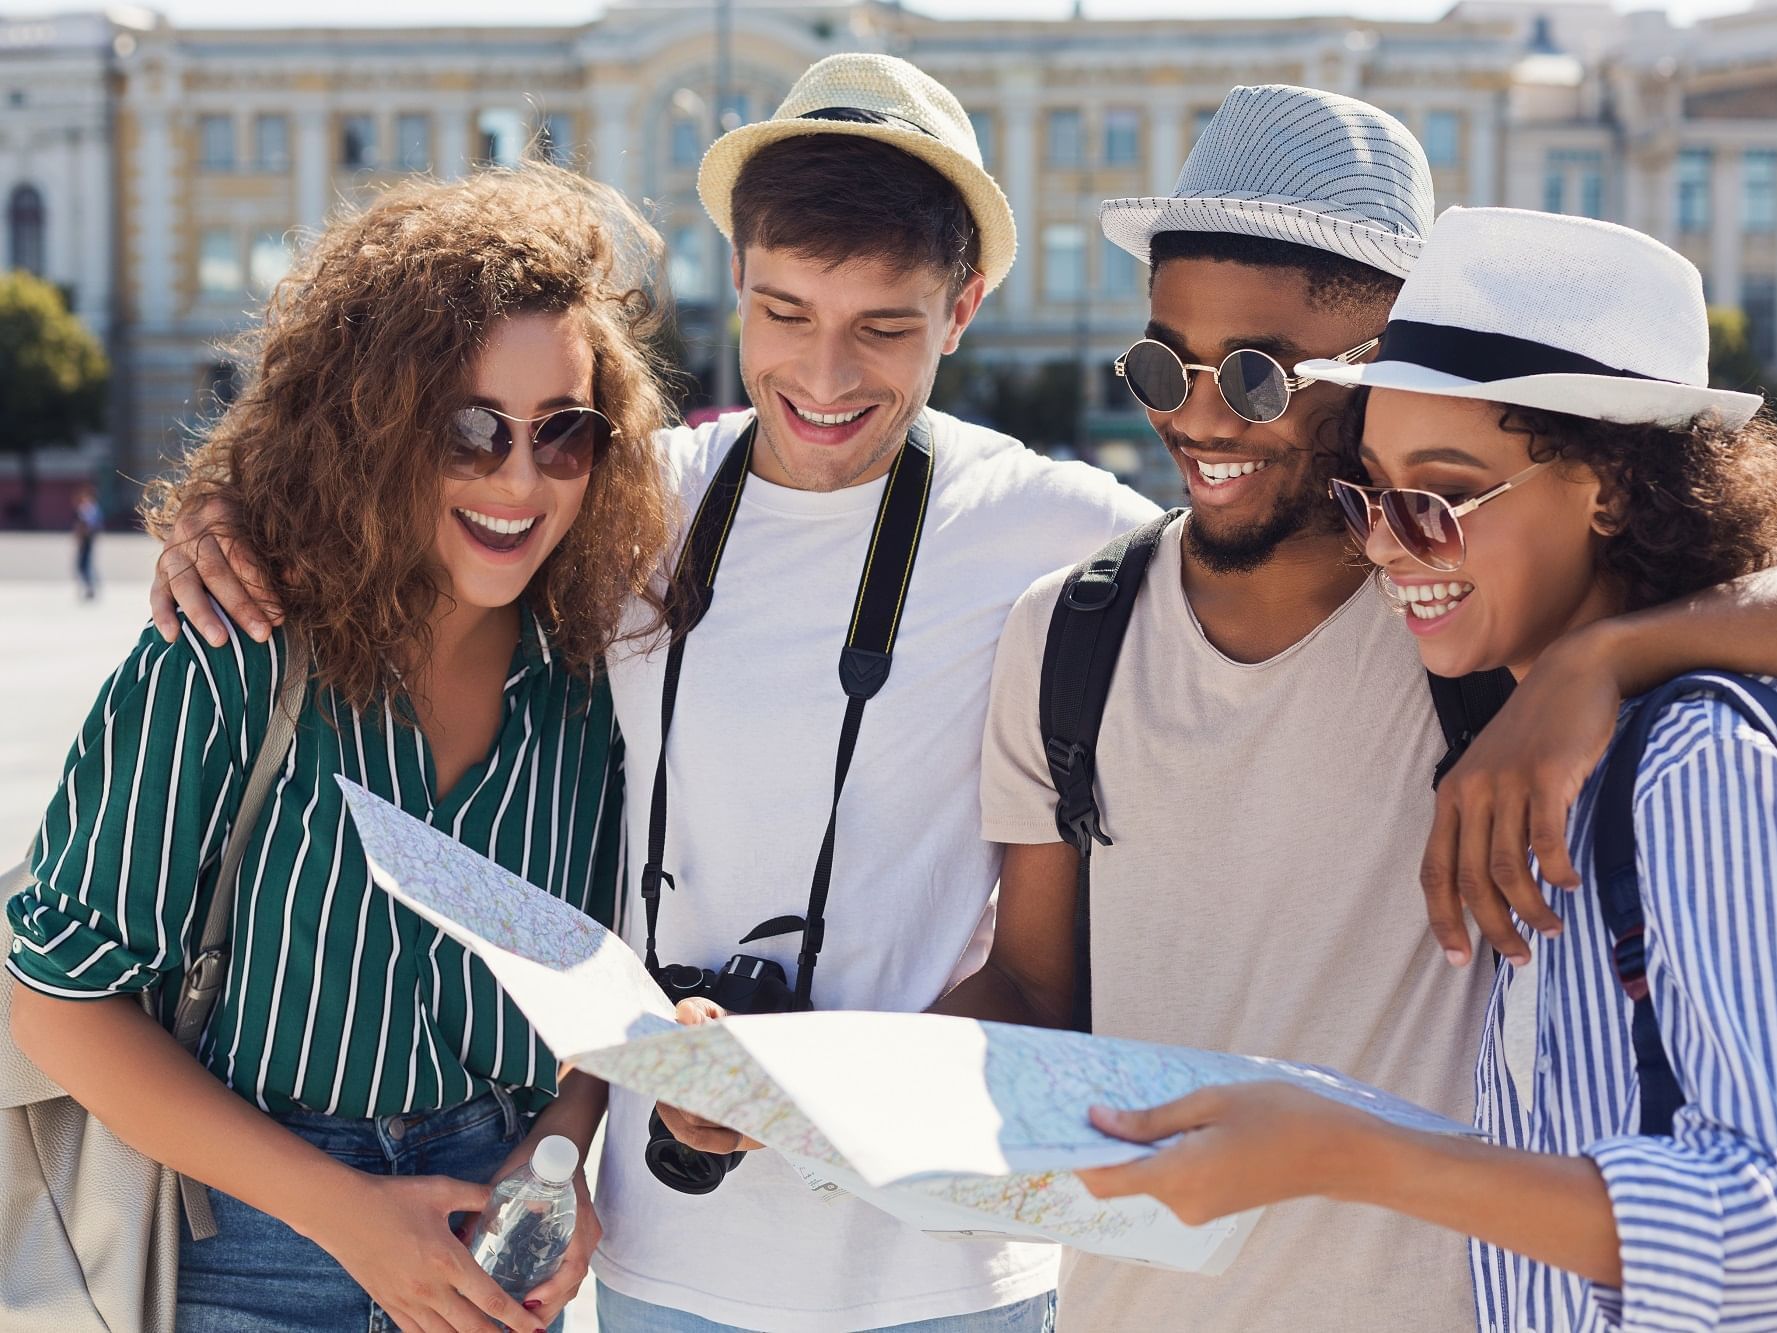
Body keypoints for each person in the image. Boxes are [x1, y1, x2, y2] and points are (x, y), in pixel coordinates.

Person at [148, 54, 1155, 1332]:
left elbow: (1290, 571)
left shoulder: (1058, 522)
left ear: (961, 309)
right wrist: (223, 508)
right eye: (785, 311)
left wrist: (1509, 708)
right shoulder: (626, 493)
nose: (826, 375)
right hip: (659, 1260)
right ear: (733, 277)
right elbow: (400, 482)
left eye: (885, 328)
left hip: (948, 1272)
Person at [937, 86, 1777, 1332]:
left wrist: (1591, 664)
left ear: (1380, 362)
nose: (1201, 414)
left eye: (1266, 374)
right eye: (1166, 361)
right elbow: (1033, 994)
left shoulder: (1492, 647)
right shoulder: (1076, 634)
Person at [6, 165, 675, 1333]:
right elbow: (57, 998)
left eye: (563, 433)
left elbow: (606, 984)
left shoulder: (592, 686)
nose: (519, 478)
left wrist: (559, 1164)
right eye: (471, 429)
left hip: (497, 1240)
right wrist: (345, 1214)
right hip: (245, 1244)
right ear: (371, 429)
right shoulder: (230, 653)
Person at [71, 482, 101, 600]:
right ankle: (89, 588)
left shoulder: (89, 508)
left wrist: (83, 536)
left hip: (87, 538)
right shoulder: (88, 507)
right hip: (86, 538)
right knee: (83, 564)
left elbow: (88, 525)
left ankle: (90, 588)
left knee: (83, 564)